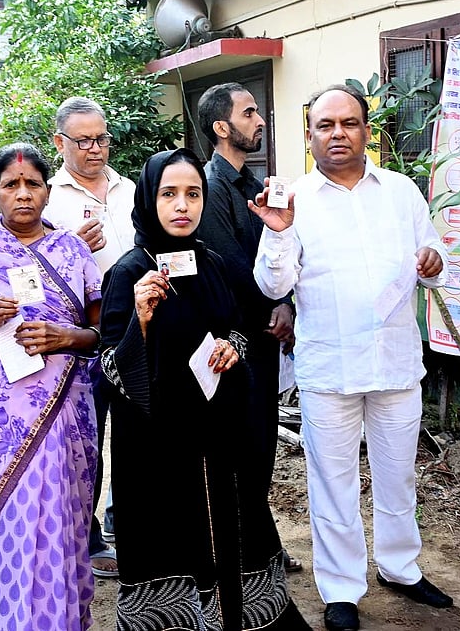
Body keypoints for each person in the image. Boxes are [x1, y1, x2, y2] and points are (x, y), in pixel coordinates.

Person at [250, 85, 452, 631]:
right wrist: (277, 233)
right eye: (326, 125)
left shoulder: (402, 191)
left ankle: (400, 567)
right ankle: (340, 588)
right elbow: (272, 285)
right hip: (328, 370)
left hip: (394, 364)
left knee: (397, 476)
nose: (338, 133)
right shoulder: (294, 201)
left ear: (368, 130)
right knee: (332, 483)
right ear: (309, 135)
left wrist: (434, 263)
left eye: (349, 123)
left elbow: (438, 266)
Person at [99, 148, 310, 630]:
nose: (182, 205)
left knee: (236, 532)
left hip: (220, 439)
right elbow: (110, 365)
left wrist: (232, 348)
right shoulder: (129, 273)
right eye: (169, 194)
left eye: (193, 193)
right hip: (160, 452)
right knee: (174, 543)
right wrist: (142, 322)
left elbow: (236, 326)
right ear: (149, 199)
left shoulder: (211, 262)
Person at [0, 142, 103, 630]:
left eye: (33, 184)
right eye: (12, 185)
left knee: (64, 519)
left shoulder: (72, 251)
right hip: (5, 424)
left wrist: (66, 336)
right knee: (15, 523)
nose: (23, 194)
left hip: (67, 410)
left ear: (48, 191)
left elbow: (102, 332)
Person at [195, 82, 301, 574]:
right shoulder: (209, 188)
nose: (260, 121)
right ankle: (245, 554)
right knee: (241, 450)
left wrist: (287, 304)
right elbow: (231, 265)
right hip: (232, 341)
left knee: (260, 448)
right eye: (250, 112)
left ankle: (260, 545)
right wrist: (273, 308)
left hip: (264, 337)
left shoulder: (251, 185)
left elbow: (280, 253)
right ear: (222, 128)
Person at [42, 95, 138, 578]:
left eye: (101, 138)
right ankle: (89, 533)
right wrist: (72, 249)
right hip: (84, 337)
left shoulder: (132, 188)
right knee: (87, 438)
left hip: (135, 330)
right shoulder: (49, 198)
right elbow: (30, 271)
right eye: (83, 141)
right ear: (61, 143)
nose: (95, 148)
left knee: (136, 431)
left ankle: (127, 519)